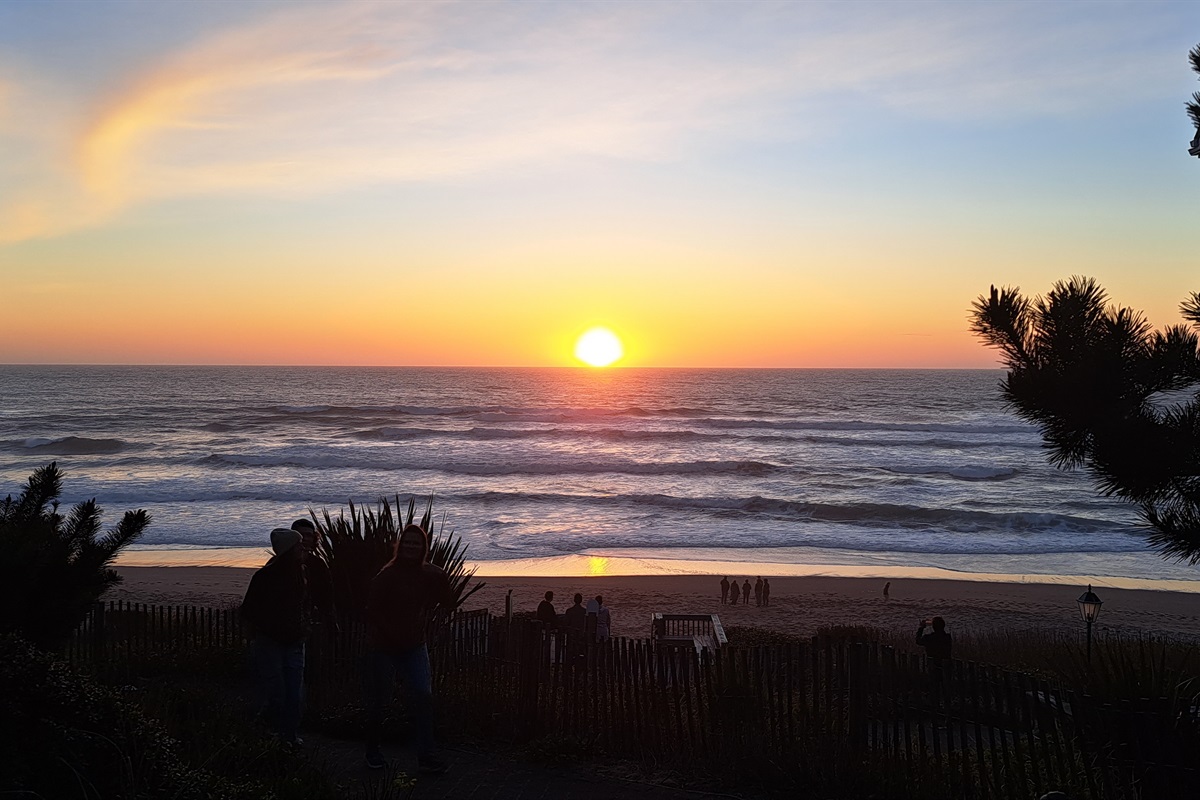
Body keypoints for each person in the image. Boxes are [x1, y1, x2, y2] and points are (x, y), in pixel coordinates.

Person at [364, 523, 454, 774]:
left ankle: (426, 755)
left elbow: (447, 601)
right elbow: (372, 610)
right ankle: (372, 751)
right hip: (384, 646)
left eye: (417, 543)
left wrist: (442, 576)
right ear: (400, 545)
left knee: (423, 695)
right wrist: (390, 634)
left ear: (424, 547)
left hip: (414, 645)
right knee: (379, 700)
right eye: (407, 542)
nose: (412, 547)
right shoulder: (386, 576)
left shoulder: (430, 574)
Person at [240, 527, 309, 745]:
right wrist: (266, 628)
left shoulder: (300, 573)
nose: (303, 548)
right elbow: (248, 610)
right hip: (270, 642)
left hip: (294, 641)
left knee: (295, 694)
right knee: (276, 693)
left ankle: (289, 736)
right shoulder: (265, 576)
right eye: (298, 545)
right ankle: (274, 735)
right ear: (289, 549)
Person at [291, 518, 336, 702]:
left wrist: (330, 620)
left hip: (312, 625)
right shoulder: (280, 564)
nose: (304, 539)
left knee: (311, 668)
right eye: (300, 535)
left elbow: (327, 596)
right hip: (287, 626)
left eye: (308, 535)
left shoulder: (318, 564)